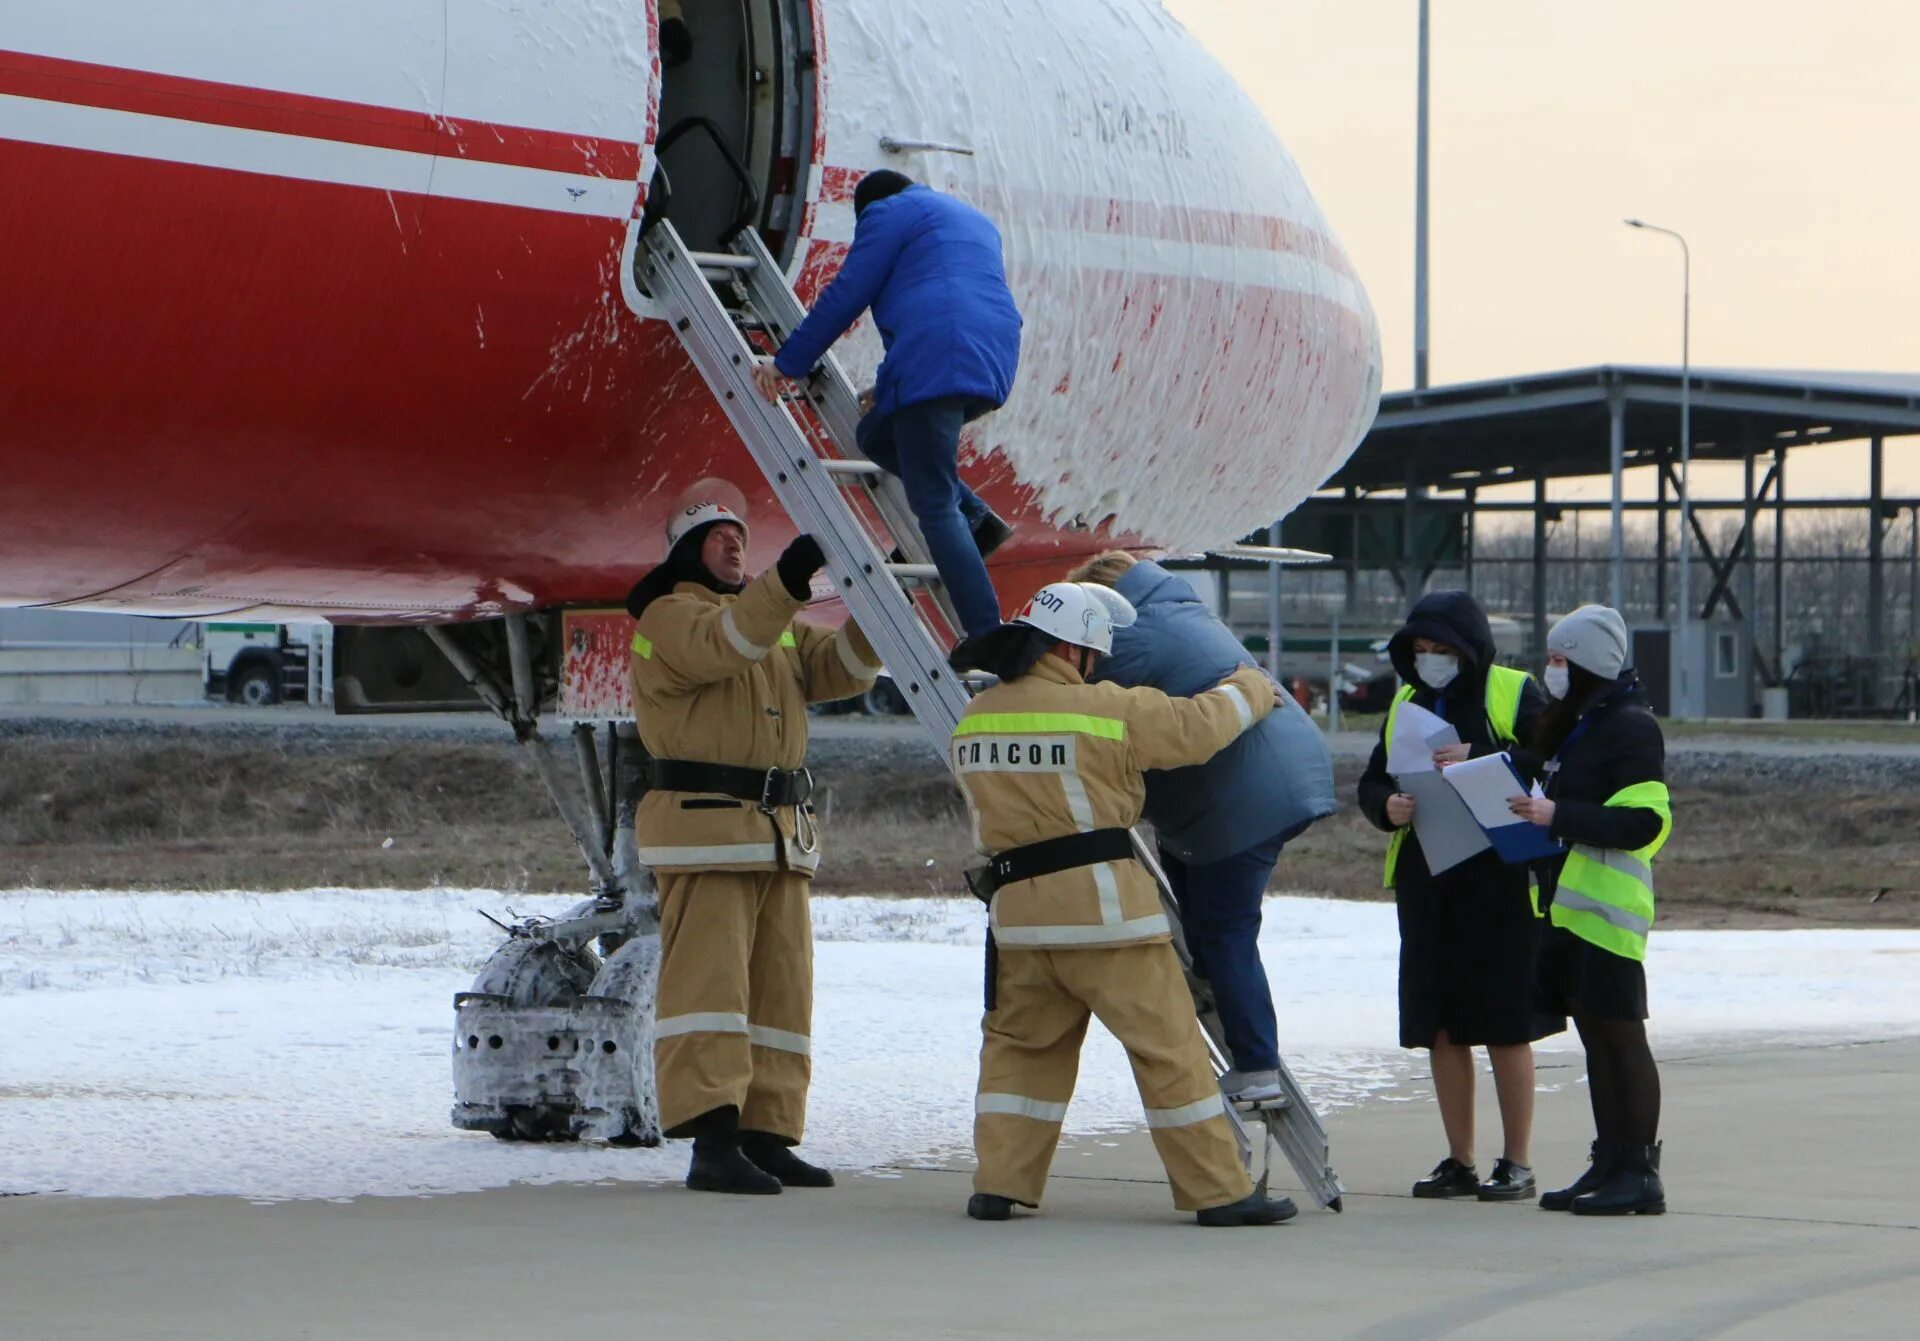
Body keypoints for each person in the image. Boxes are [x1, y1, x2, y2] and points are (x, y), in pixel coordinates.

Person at [951, 582, 1296, 1228]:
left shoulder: (976, 718)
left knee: (1019, 1052)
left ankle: (1000, 1183)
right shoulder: (1106, 710)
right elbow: (1196, 730)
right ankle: (1217, 1189)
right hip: (1106, 916)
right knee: (1168, 1050)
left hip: (1020, 922)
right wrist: (1249, 688)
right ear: (1074, 650)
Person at [625, 501, 884, 1194]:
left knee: (781, 993)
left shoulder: (774, 628)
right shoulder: (669, 621)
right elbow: (725, 644)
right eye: (718, 537)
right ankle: (711, 1140)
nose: (735, 545)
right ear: (685, 550)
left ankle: (766, 1134)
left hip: (777, 836)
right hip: (707, 832)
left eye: (740, 535)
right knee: (710, 990)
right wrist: (792, 575)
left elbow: (846, 668)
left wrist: (891, 596)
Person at [1066, 550, 1336, 1105]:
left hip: (1244, 792)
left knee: (1226, 930)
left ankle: (1258, 1069)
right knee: (1208, 925)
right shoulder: (1180, 612)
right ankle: (1230, 1005)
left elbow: (1074, 699)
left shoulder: (1129, 638)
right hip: (1267, 775)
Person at [752, 170, 1023, 654]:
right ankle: (976, 514)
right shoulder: (970, 220)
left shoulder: (887, 212)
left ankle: (986, 633)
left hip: (939, 356)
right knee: (876, 438)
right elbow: (943, 300)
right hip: (991, 357)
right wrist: (892, 383)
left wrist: (788, 363)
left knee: (933, 504)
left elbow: (849, 293)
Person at [1356, 591, 1562, 1202]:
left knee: (1505, 1021)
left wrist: (1485, 757)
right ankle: (1459, 1158)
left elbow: (1553, 758)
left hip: (1499, 879)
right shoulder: (1406, 701)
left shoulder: (1512, 691)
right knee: (1441, 1024)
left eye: (1441, 650)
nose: (1429, 661)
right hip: (1429, 879)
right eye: (1419, 651)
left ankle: (1517, 1161)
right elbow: (1373, 778)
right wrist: (1385, 808)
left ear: (1468, 650)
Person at [1507, 604, 1672, 1216]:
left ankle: (1641, 1172)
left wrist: (1559, 817)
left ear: (1585, 663)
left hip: (1607, 910)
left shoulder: (1630, 727)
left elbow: (1645, 822)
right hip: (1565, 907)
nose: (1550, 669)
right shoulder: (1575, 724)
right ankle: (1608, 1160)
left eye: (1559, 659)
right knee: (1596, 1039)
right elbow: (1540, 777)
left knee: (1622, 1038)